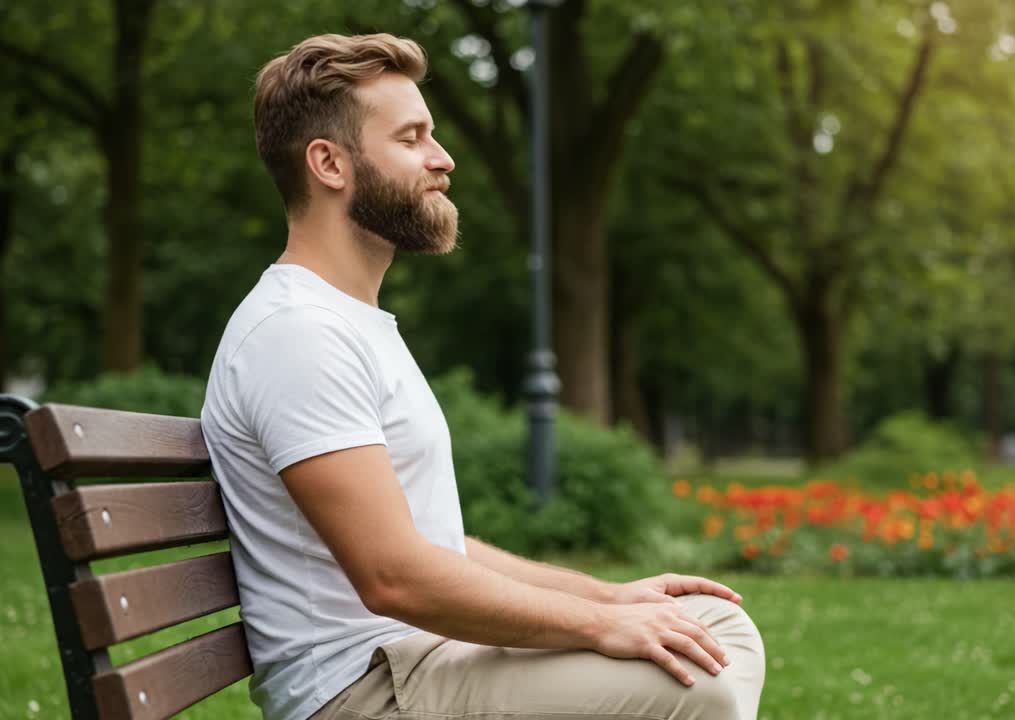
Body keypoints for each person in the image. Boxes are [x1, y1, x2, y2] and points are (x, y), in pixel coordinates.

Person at [200, 33, 766, 720]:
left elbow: (438, 545)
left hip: (426, 659)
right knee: (691, 685)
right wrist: (597, 625)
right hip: (366, 691)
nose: (444, 160)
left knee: (715, 625)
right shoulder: (297, 334)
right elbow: (393, 577)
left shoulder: (349, 322)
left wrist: (608, 596)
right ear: (329, 163)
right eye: (412, 140)